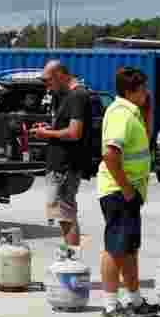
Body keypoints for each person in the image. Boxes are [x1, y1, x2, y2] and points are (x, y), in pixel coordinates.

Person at [97, 67, 160, 317]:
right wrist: (125, 189)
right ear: (129, 91)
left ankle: (134, 300)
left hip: (129, 192)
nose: (146, 93)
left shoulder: (131, 112)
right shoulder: (121, 115)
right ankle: (110, 306)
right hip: (118, 192)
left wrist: (148, 111)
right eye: (142, 89)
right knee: (115, 249)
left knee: (130, 249)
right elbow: (110, 155)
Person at [31, 61, 93, 247]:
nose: (46, 85)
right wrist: (49, 129)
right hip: (59, 164)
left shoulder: (78, 96)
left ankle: (72, 258)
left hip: (66, 166)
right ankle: (70, 255)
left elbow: (75, 133)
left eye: (48, 80)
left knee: (66, 214)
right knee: (62, 213)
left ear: (59, 75)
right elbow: (66, 127)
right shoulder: (65, 95)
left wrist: (46, 134)